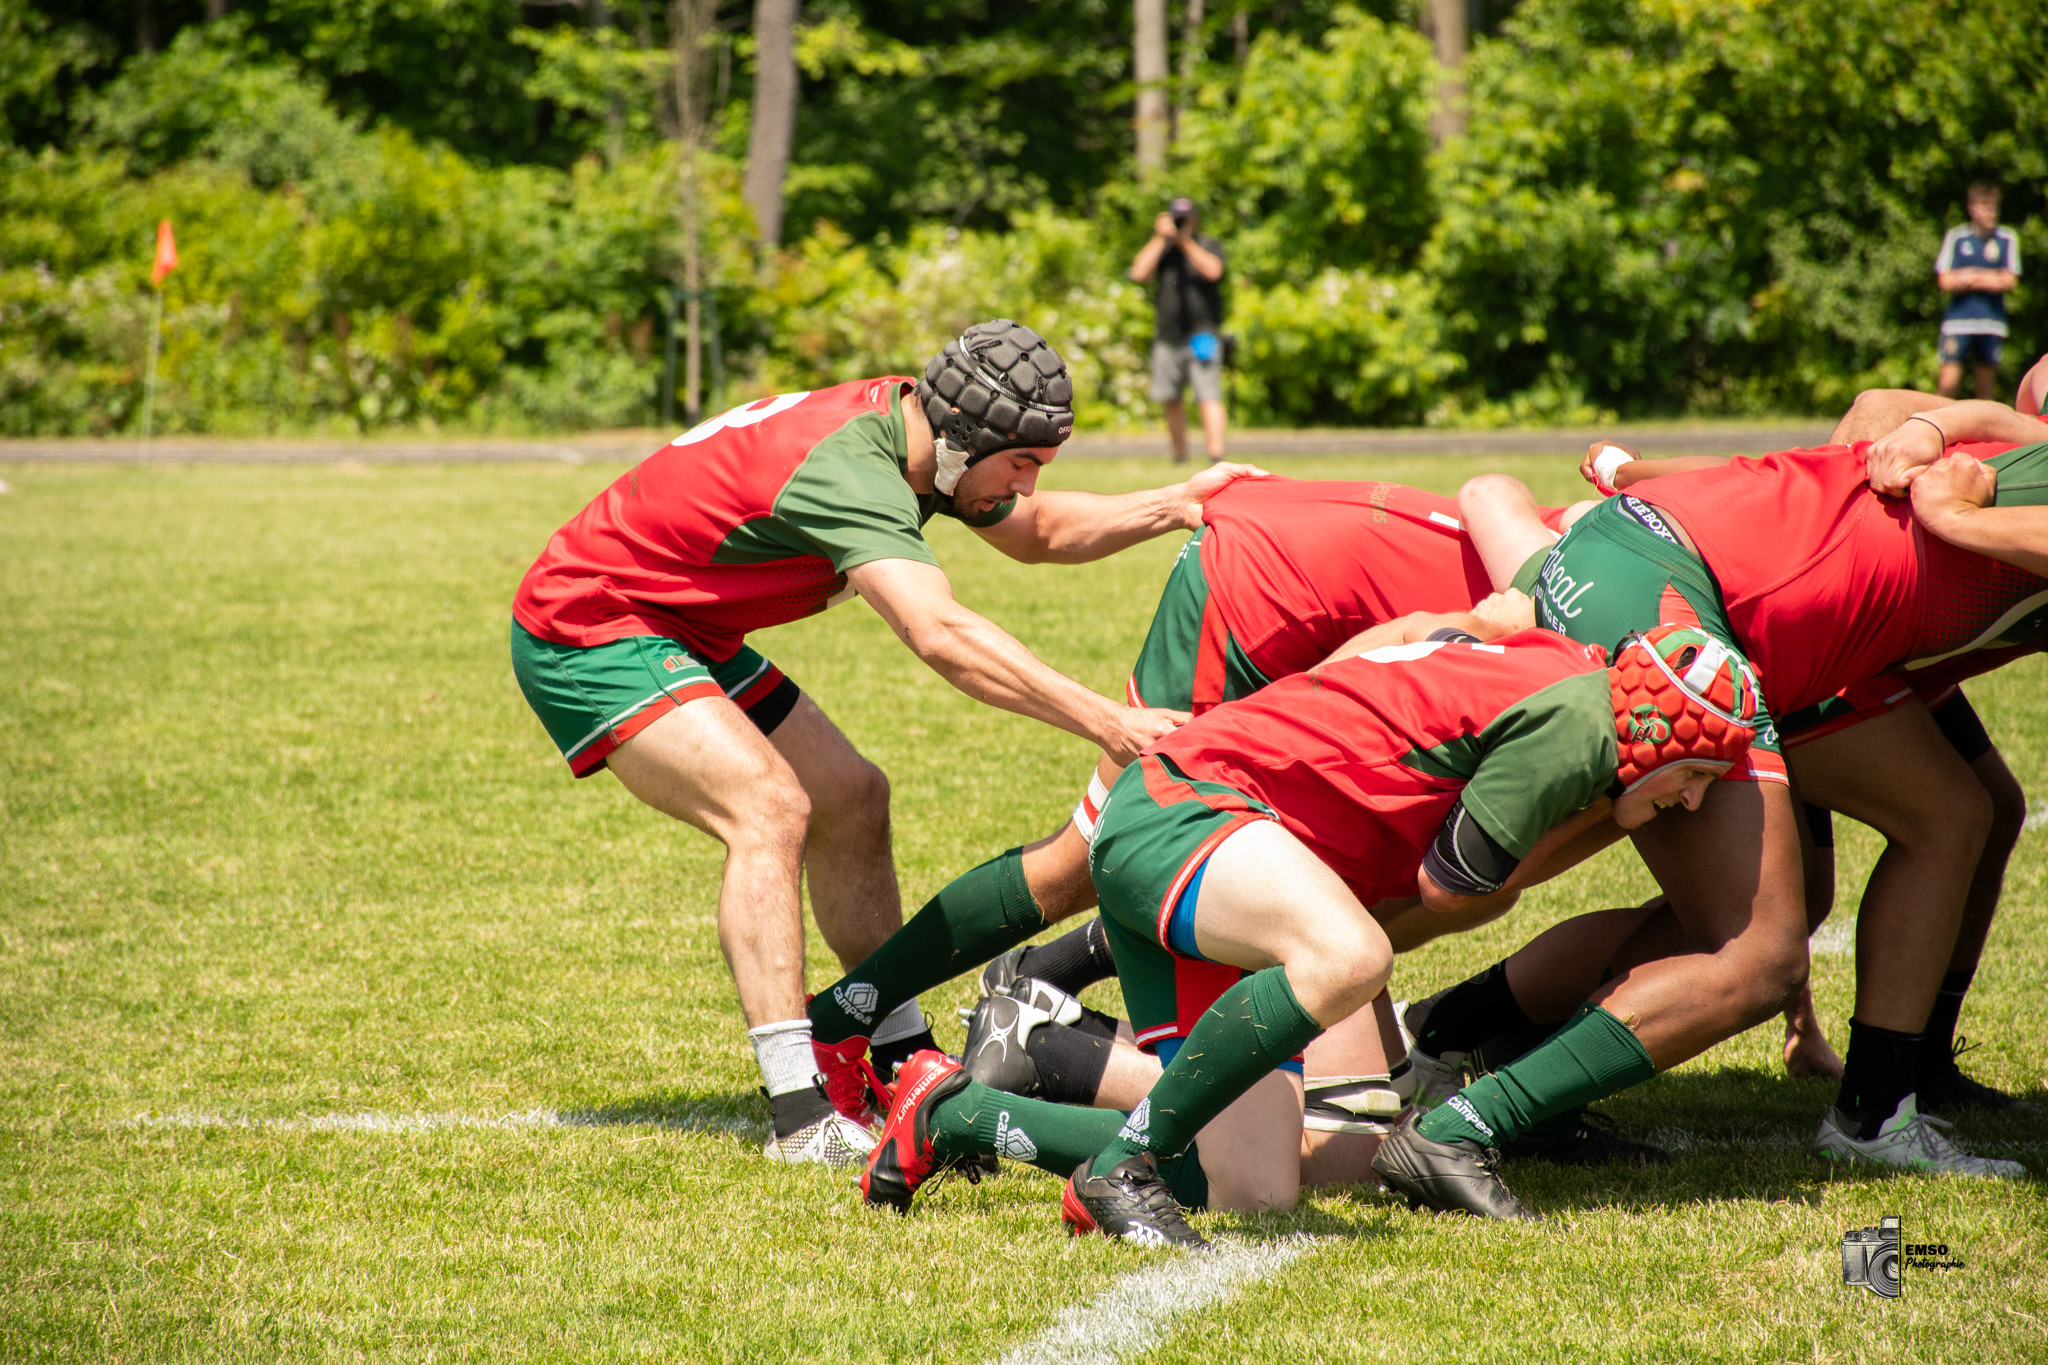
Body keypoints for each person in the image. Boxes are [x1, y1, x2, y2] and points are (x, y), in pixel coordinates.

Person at [508, 320, 1264, 1166]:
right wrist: (1106, 719)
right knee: (768, 809)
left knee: (855, 799)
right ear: (967, 438)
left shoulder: (925, 437)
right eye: (1020, 462)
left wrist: (1175, 505)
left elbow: (1041, 531)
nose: (1026, 483)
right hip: (593, 625)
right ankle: (798, 1112)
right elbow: (938, 632)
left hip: (686, 626)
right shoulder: (856, 470)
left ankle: (892, 1051)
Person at [802, 479, 1588, 1132]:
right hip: (1262, 590)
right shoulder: (1598, 636)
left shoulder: (1597, 570)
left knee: (1325, 870)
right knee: (1087, 856)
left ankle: (1041, 998)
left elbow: (1494, 499)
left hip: (1282, 555)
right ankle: (855, 1012)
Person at [1435, 415, 2044, 1192]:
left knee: (1953, 815)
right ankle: (1459, 1104)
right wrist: (1952, 498)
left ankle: (1891, 1092)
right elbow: (1883, 411)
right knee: (1759, 953)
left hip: (1699, 574)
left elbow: (1886, 413)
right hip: (1696, 599)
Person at [1129, 197, 1228, 465]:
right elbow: (1138, 273)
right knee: (1170, 397)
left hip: (1203, 333)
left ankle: (1216, 455)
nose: (1182, 224)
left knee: (1208, 393)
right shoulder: (1164, 250)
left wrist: (1185, 242)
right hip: (1167, 335)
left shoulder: (1208, 245)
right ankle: (1180, 456)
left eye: (1186, 219)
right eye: (1177, 219)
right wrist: (1160, 238)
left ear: (1195, 220)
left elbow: (1214, 271)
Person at [1935, 183, 2022, 400]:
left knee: (1985, 389)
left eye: (1993, 207)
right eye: (1985, 207)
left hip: (1991, 321)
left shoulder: (2006, 238)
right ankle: (1935, 430)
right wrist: (1989, 277)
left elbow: (2009, 280)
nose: (1990, 213)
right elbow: (1945, 280)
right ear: (1972, 208)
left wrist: (1971, 276)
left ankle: (1984, 434)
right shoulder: (1957, 237)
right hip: (1959, 320)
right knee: (1948, 384)